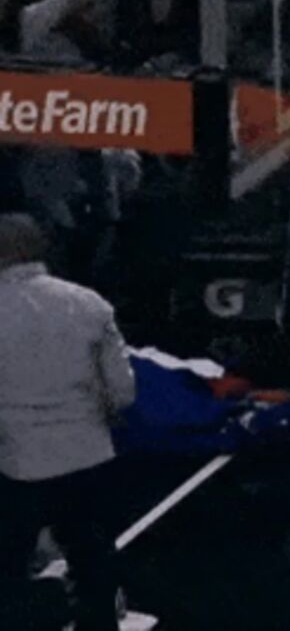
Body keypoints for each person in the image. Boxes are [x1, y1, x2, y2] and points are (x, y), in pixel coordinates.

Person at [0, 213, 136, 631]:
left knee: (9, 564)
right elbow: (122, 390)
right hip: (87, 455)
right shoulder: (88, 303)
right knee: (92, 556)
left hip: (16, 460)